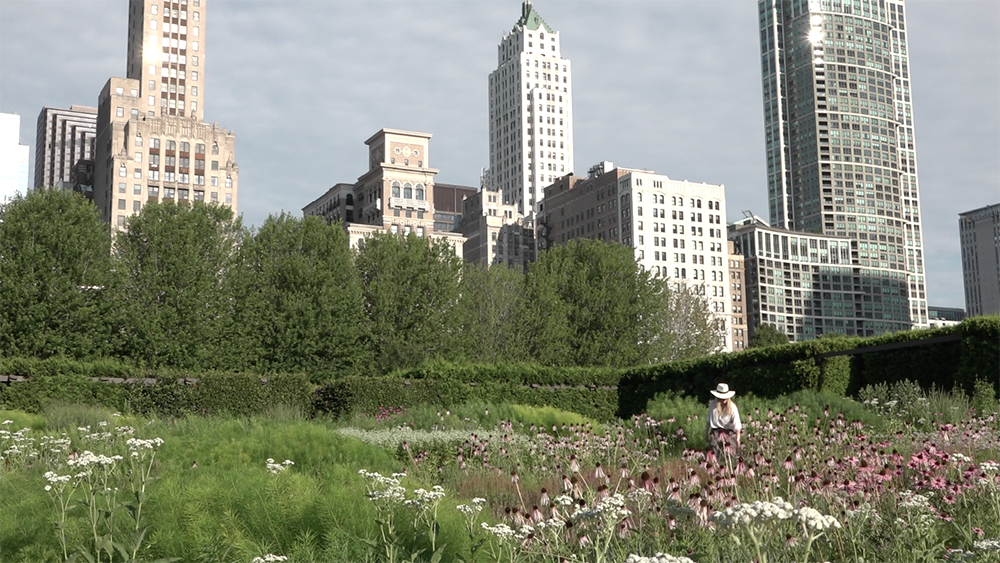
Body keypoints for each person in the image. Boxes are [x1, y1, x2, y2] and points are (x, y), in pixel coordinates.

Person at [705, 383, 742, 457]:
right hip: (716, 432)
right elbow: (709, 420)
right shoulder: (712, 404)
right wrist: (706, 433)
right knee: (713, 455)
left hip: (729, 433)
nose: (724, 399)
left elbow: (737, 426)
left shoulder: (733, 407)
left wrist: (738, 440)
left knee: (730, 455)